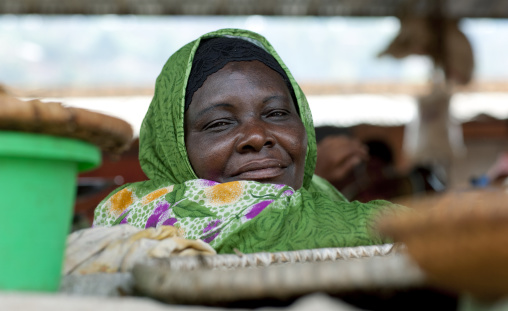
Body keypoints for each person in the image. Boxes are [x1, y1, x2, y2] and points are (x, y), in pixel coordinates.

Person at [93, 28, 396, 254]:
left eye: (277, 113)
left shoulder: (317, 193)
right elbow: (282, 222)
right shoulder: (145, 212)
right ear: (173, 146)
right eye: (219, 123)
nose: (256, 136)